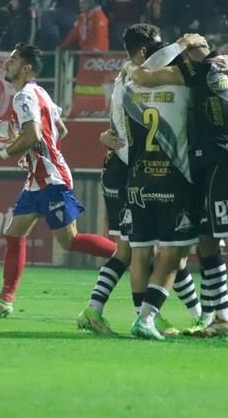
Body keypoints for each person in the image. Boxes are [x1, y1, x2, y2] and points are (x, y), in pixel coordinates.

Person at [127, 38, 228, 344]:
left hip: (223, 165)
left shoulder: (198, 72)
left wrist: (133, 64)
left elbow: (143, 75)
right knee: (225, 241)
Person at [77, 25, 203, 337]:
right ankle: (127, 314)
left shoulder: (125, 79)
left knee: (159, 252)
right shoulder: (137, 76)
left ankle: (168, 314)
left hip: (130, 169)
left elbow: (115, 128)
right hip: (127, 171)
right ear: (146, 53)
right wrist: (181, 44)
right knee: (134, 252)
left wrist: (106, 136)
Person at [0, 43, 117, 317]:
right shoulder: (40, 92)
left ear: (26, 68)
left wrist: (6, 152)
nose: (7, 63)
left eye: (13, 60)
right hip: (37, 178)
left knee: (70, 241)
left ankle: (130, 257)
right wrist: (31, 156)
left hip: (51, 178)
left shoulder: (24, 96)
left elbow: (35, 136)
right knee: (14, 234)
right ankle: (5, 301)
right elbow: (60, 129)